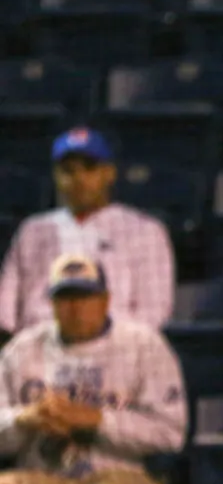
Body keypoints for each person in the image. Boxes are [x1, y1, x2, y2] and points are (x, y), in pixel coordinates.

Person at [0, 254, 185, 484]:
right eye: (65, 298)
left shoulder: (144, 345)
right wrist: (22, 419)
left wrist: (97, 420)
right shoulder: (21, 349)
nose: (75, 307)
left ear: (105, 300)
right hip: (40, 478)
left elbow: (170, 433)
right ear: (51, 303)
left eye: (85, 296)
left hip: (118, 475)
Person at [0, 127, 174, 344]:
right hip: (38, 354)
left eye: (89, 168)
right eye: (68, 170)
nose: (79, 178)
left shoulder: (145, 230)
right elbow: (5, 313)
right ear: (55, 175)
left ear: (109, 173)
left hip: (114, 354)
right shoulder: (32, 230)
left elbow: (154, 313)